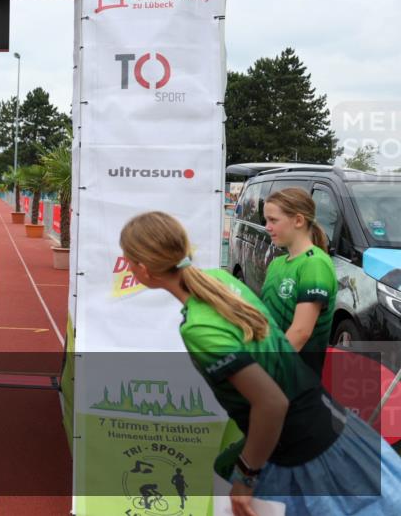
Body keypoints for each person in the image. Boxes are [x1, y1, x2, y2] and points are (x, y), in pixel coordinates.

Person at [119, 211, 401, 516]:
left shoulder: (198, 328)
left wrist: (245, 476)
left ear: (143, 270)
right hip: (338, 432)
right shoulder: (219, 280)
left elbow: (271, 403)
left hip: (307, 460)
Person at [261, 187, 337, 376]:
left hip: (297, 380)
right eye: (266, 220)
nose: (267, 227)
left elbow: (301, 331)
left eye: (273, 220)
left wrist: (267, 370)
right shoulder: (277, 264)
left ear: (298, 220)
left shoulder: (315, 263)